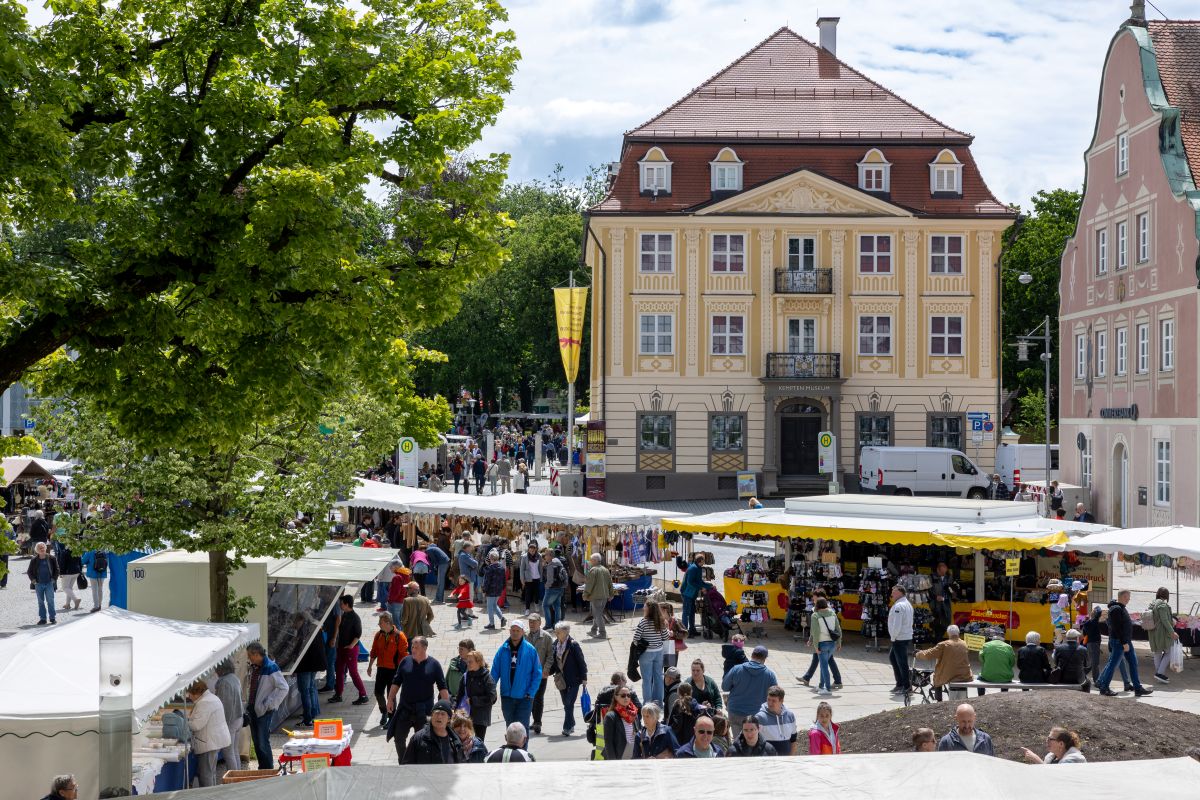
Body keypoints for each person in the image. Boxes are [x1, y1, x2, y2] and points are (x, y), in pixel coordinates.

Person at [386, 636, 450, 762]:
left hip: (424, 711)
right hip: (405, 708)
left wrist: (447, 709)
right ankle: (404, 762)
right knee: (399, 738)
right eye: (412, 647)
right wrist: (390, 699)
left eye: (416, 647)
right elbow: (396, 682)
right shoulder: (405, 661)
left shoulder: (434, 665)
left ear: (424, 648)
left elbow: (442, 687)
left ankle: (419, 763)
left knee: (423, 741)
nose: (413, 650)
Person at [490, 619, 543, 735]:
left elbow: (537, 673)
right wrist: (491, 690)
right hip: (507, 697)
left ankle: (523, 748)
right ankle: (511, 747)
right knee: (510, 729)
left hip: (524, 698)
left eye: (517, 631)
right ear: (509, 631)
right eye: (513, 630)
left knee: (522, 729)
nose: (515, 633)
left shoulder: (530, 650)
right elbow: (494, 672)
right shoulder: (502, 649)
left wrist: (531, 693)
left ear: (523, 632)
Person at [1098, 590, 1152, 697]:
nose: (1129, 599)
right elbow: (1117, 628)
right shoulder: (1116, 609)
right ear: (1123, 596)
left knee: (1133, 662)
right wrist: (1124, 643)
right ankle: (1104, 687)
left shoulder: (1121, 608)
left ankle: (1137, 688)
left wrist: (1126, 642)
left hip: (1125, 641)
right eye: (1128, 597)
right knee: (1113, 664)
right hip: (1120, 642)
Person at [246, 641, 289, 769]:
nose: (248, 658)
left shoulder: (271, 667)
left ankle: (268, 770)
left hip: (263, 711)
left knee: (262, 742)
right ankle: (262, 769)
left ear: (256, 654)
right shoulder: (255, 667)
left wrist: (269, 704)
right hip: (254, 710)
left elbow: (284, 688)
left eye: (249, 655)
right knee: (257, 742)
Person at [186, 679, 232, 787]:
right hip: (213, 740)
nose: (189, 696)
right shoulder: (211, 698)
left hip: (209, 742)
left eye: (189, 694)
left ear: (196, 692)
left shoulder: (205, 702)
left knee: (205, 774)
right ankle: (212, 793)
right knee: (210, 772)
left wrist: (184, 722)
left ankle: (207, 794)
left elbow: (196, 725)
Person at [367, 612, 409, 727]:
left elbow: (404, 656)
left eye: (380, 622)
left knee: (391, 695)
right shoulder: (378, 635)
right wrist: (370, 666)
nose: (379, 624)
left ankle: (392, 718)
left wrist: (404, 672)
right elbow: (374, 651)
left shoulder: (399, 636)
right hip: (381, 668)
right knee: (378, 692)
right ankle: (384, 711)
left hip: (394, 670)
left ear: (387, 622)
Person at [722, 645, 778, 729]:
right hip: (757, 715)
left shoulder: (736, 669)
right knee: (754, 737)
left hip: (735, 711)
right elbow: (776, 694)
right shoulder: (770, 675)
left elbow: (725, 687)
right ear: (765, 658)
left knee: (738, 737)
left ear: (752, 655)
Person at [548, 620, 588, 736]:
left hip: (574, 679)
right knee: (566, 704)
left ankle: (567, 727)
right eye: (556, 631)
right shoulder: (555, 644)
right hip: (561, 680)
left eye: (558, 632)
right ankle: (572, 723)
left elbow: (581, 662)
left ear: (566, 632)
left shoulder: (573, 645)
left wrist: (584, 677)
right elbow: (554, 663)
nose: (556, 634)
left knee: (568, 702)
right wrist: (547, 672)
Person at [329, 594, 369, 705]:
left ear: (347, 604)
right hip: (341, 648)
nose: (340, 605)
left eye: (341, 604)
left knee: (353, 672)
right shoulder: (344, 615)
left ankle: (363, 695)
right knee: (339, 670)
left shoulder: (355, 618)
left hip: (350, 649)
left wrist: (351, 645)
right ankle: (338, 694)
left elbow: (358, 634)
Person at [916, 625, 973, 702]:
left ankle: (939, 701)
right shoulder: (964, 643)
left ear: (948, 633)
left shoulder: (944, 645)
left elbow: (928, 654)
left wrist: (917, 654)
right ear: (958, 633)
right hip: (965, 675)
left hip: (951, 675)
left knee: (937, 677)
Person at [403, 699, 466, 764]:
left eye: (443, 714)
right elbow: (406, 764)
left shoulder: (455, 741)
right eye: (436, 713)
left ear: (448, 719)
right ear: (432, 716)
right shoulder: (418, 739)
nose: (439, 716)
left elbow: (461, 764)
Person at [456, 650, 496, 743]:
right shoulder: (465, 676)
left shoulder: (487, 678)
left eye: (470, 662)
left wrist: (474, 701)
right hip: (466, 715)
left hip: (480, 717)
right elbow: (459, 695)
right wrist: (455, 708)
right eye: (467, 661)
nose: (468, 664)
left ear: (479, 662)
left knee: (478, 742)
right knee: (462, 741)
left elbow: (492, 697)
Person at [634, 600, 669, 704]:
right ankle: (658, 702)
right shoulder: (661, 621)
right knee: (658, 677)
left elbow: (636, 639)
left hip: (646, 653)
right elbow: (665, 637)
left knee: (647, 679)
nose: (643, 608)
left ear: (648, 609)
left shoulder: (643, 622)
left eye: (644, 606)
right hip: (659, 652)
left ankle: (647, 703)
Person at [526, 614, 554, 735]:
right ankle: (533, 720)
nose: (531, 624)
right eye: (530, 622)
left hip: (541, 673)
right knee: (529, 696)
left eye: (534, 622)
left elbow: (550, 655)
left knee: (538, 697)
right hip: (527, 674)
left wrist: (546, 670)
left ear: (540, 623)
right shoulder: (524, 636)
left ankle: (537, 722)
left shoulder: (547, 637)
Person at [213, 661, 243, 772]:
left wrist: (221, 724)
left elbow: (225, 705)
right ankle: (238, 775)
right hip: (238, 718)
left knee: (228, 752)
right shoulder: (235, 678)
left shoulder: (224, 682)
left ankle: (233, 777)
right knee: (234, 751)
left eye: (216, 669)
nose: (215, 672)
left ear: (221, 669)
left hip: (230, 720)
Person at [294, 623, 326, 727]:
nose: (294, 624)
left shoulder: (303, 630)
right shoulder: (315, 625)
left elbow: (297, 648)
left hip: (305, 664)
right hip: (315, 663)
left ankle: (307, 719)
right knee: (311, 688)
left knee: (305, 691)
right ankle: (313, 713)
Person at [808, 599, 841, 695]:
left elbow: (815, 632)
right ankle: (821, 686)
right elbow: (838, 629)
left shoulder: (815, 615)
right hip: (832, 644)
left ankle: (827, 689)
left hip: (822, 644)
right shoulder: (833, 613)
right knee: (824, 665)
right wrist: (839, 643)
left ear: (817, 605)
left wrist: (815, 646)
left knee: (824, 667)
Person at [1147, 587, 1180, 683]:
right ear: (1166, 596)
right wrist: (1172, 632)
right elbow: (1164, 620)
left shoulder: (1152, 604)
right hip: (1162, 633)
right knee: (1169, 652)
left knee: (1157, 653)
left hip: (1152, 631)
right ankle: (1160, 673)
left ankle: (1159, 675)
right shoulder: (1162, 605)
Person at [755, 685, 798, 756]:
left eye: (773, 701)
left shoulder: (790, 716)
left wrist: (791, 758)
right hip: (767, 760)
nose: (770, 703)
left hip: (786, 760)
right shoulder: (759, 718)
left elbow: (793, 740)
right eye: (768, 699)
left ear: (781, 701)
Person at [602, 685, 642, 760]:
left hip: (634, 754)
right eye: (623, 695)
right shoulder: (610, 716)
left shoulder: (634, 713)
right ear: (616, 697)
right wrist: (613, 761)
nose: (626, 698)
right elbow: (608, 742)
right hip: (618, 756)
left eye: (628, 695)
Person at [888, 585, 914, 694]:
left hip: (899, 638)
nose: (892, 595)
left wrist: (893, 637)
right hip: (904, 636)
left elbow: (897, 625)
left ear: (900, 592)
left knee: (902, 662)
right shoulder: (907, 604)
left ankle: (906, 686)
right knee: (893, 658)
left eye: (894, 592)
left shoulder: (899, 606)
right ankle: (900, 684)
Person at [27, 541, 59, 625]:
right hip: (38, 584)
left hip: (49, 583)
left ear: (45, 548)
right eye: (40, 548)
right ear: (37, 550)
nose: (42, 549)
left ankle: (52, 618)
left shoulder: (51, 558)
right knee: (40, 602)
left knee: (50, 601)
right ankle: (43, 619)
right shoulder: (34, 559)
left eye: (43, 547)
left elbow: (57, 570)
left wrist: (53, 579)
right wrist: (33, 580)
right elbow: (29, 571)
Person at [583, 553, 614, 638]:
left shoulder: (593, 570)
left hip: (596, 596)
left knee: (597, 614)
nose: (590, 561)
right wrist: (611, 594)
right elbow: (610, 583)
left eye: (591, 560)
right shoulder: (605, 569)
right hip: (604, 596)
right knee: (597, 613)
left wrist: (585, 594)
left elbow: (589, 584)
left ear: (595, 560)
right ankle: (593, 630)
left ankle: (602, 633)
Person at [680, 553, 711, 636]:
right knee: (686, 613)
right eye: (704, 560)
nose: (704, 562)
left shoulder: (698, 568)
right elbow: (690, 582)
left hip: (692, 594)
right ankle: (684, 631)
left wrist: (709, 586)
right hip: (687, 593)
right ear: (700, 561)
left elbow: (699, 582)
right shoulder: (693, 568)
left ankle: (692, 630)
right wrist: (701, 588)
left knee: (692, 612)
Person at [1022, 727, 1087, 764]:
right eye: (1047, 738)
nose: (1047, 741)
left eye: (1050, 739)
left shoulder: (1073, 760)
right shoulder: (1051, 757)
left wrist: (1036, 759)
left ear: (1061, 744)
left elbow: (1057, 778)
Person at [54, 536, 82, 612]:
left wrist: (61, 572)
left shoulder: (65, 552)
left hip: (68, 572)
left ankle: (76, 599)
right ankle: (67, 604)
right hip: (76, 571)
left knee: (65, 588)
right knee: (69, 588)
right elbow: (80, 563)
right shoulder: (77, 551)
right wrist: (80, 571)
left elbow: (62, 563)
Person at [541, 549, 567, 628]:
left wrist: (546, 587)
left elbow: (550, 580)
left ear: (550, 555)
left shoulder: (551, 565)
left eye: (546, 555)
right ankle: (557, 625)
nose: (545, 556)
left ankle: (548, 625)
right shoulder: (558, 562)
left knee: (545, 605)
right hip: (560, 588)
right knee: (557, 606)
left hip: (551, 589)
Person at [481, 552, 508, 629]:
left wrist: (484, 590)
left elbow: (487, 581)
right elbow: (504, 580)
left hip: (491, 590)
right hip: (498, 590)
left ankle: (492, 624)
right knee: (494, 605)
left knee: (490, 607)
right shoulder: (502, 568)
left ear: (491, 559)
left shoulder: (490, 568)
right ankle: (502, 618)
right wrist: (502, 588)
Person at [930, 561, 955, 642]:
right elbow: (928, 590)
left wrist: (953, 592)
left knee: (947, 620)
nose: (943, 573)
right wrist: (935, 597)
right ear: (938, 569)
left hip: (946, 601)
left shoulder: (949, 577)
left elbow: (952, 588)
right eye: (941, 571)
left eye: (945, 571)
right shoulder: (932, 577)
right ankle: (937, 638)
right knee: (936, 620)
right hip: (936, 602)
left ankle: (939, 636)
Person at [80, 547, 108, 612]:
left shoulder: (90, 551)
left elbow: (83, 561)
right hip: (102, 573)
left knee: (94, 590)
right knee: (100, 589)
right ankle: (100, 605)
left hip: (93, 573)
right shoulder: (104, 551)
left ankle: (96, 606)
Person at [518, 543, 543, 613]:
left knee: (536, 593)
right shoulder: (524, 557)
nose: (532, 551)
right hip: (528, 578)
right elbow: (522, 569)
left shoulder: (539, 556)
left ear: (535, 550)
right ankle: (527, 609)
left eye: (533, 550)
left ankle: (536, 604)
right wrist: (522, 579)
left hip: (537, 577)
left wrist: (541, 578)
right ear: (528, 549)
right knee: (528, 594)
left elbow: (540, 568)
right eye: (531, 550)